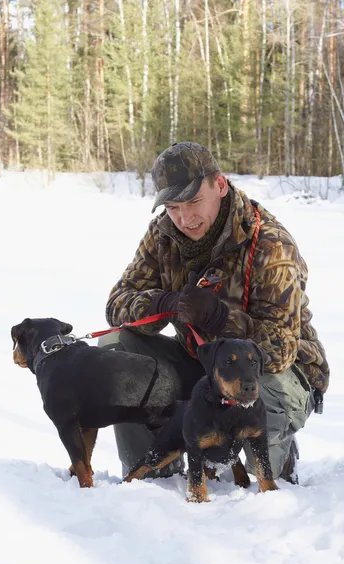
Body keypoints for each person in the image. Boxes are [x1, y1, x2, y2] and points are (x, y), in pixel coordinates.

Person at [98, 141, 329, 483]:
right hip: (203, 362)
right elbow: (117, 305)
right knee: (117, 347)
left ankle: (277, 460)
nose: (185, 217)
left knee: (255, 397)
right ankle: (155, 474)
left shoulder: (271, 243)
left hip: (280, 373)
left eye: (193, 201)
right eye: (173, 206)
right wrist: (164, 303)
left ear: (219, 185)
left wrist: (219, 318)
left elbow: (279, 350)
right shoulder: (163, 234)